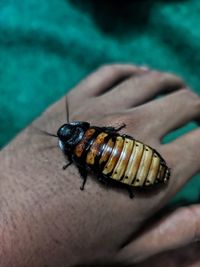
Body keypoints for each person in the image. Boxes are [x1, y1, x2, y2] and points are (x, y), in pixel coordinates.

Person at [0, 64, 199, 267]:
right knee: (104, 175)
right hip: (130, 153)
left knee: (103, 175)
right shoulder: (88, 137)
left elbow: (82, 166)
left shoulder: (78, 155)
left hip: (129, 165)